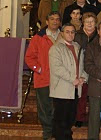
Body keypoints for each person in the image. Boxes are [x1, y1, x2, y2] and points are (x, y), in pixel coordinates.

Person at [25, 11, 62, 140]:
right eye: (52, 19)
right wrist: (39, 69)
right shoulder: (38, 38)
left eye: (57, 19)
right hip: (43, 79)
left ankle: (56, 132)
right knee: (45, 107)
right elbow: (29, 57)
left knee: (57, 107)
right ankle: (47, 133)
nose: (55, 21)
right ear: (47, 22)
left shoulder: (63, 36)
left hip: (60, 80)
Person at [49, 23, 87, 140]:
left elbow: (83, 65)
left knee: (70, 118)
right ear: (62, 33)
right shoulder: (56, 48)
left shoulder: (77, 47)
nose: (70, 34)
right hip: (62, 89)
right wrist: (73, 79)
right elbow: (57, 68)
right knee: (61, 120)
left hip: (75, 89)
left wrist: (83, 77)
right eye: (67, 32)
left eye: (72, 32)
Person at [74, 12, 98, 127]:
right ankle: (79, 117)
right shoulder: (77, 35)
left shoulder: (99, 36)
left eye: (92, 21)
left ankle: (95, 119)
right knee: (81, 96)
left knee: (94, 96)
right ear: (83, 23)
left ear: (95, 24)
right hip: (80, 69)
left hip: (95, 70)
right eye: (87, 21)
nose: (89, 24)